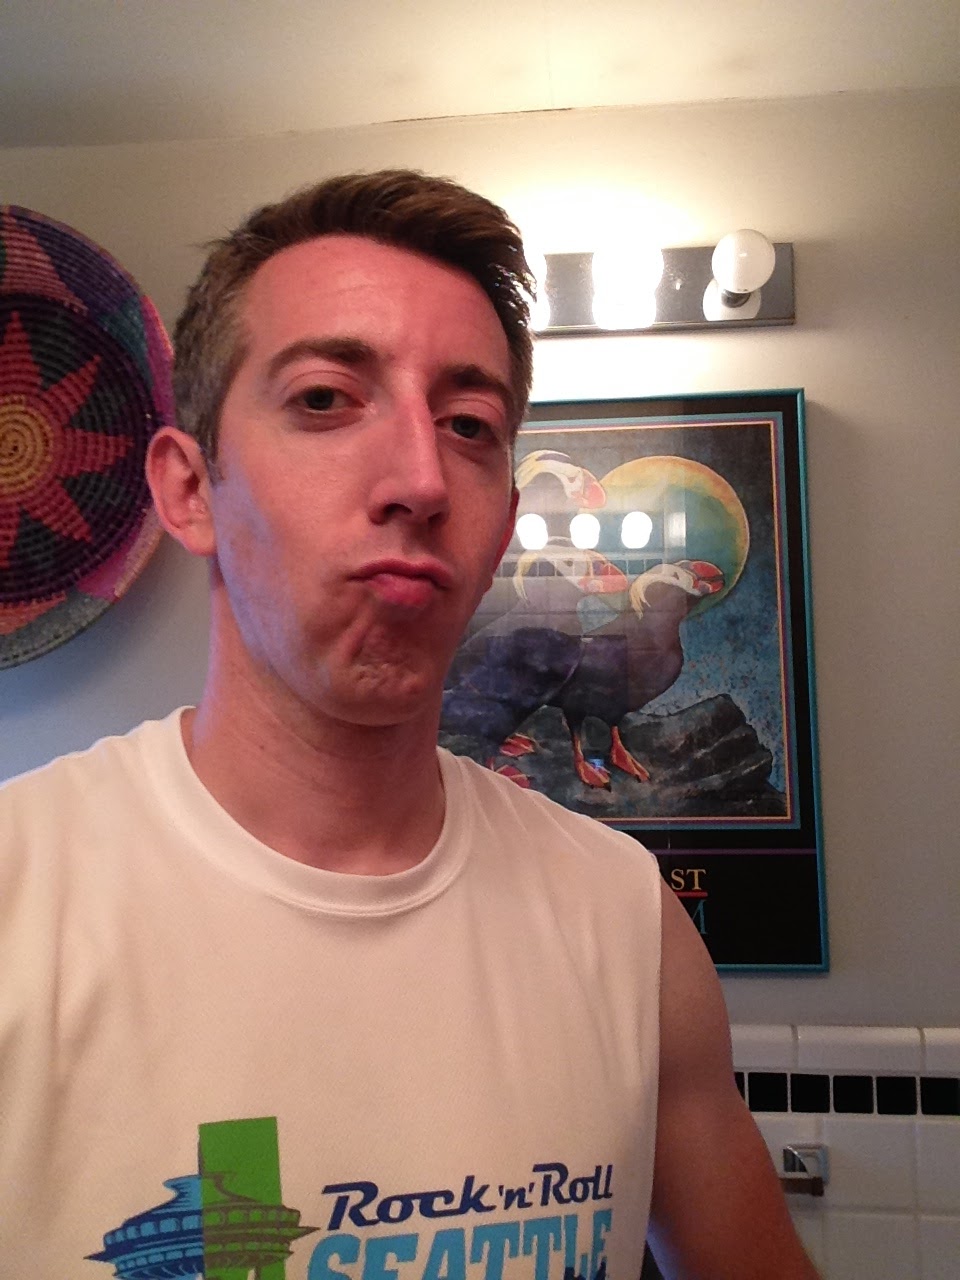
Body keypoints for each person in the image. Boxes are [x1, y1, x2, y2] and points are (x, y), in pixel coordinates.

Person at [0, 170, 818, 1280]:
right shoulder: (22, 900)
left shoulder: (627, 924)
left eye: (470, 424)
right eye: (325, 400)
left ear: (503, 528)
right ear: (190, 490)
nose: (422, 478)